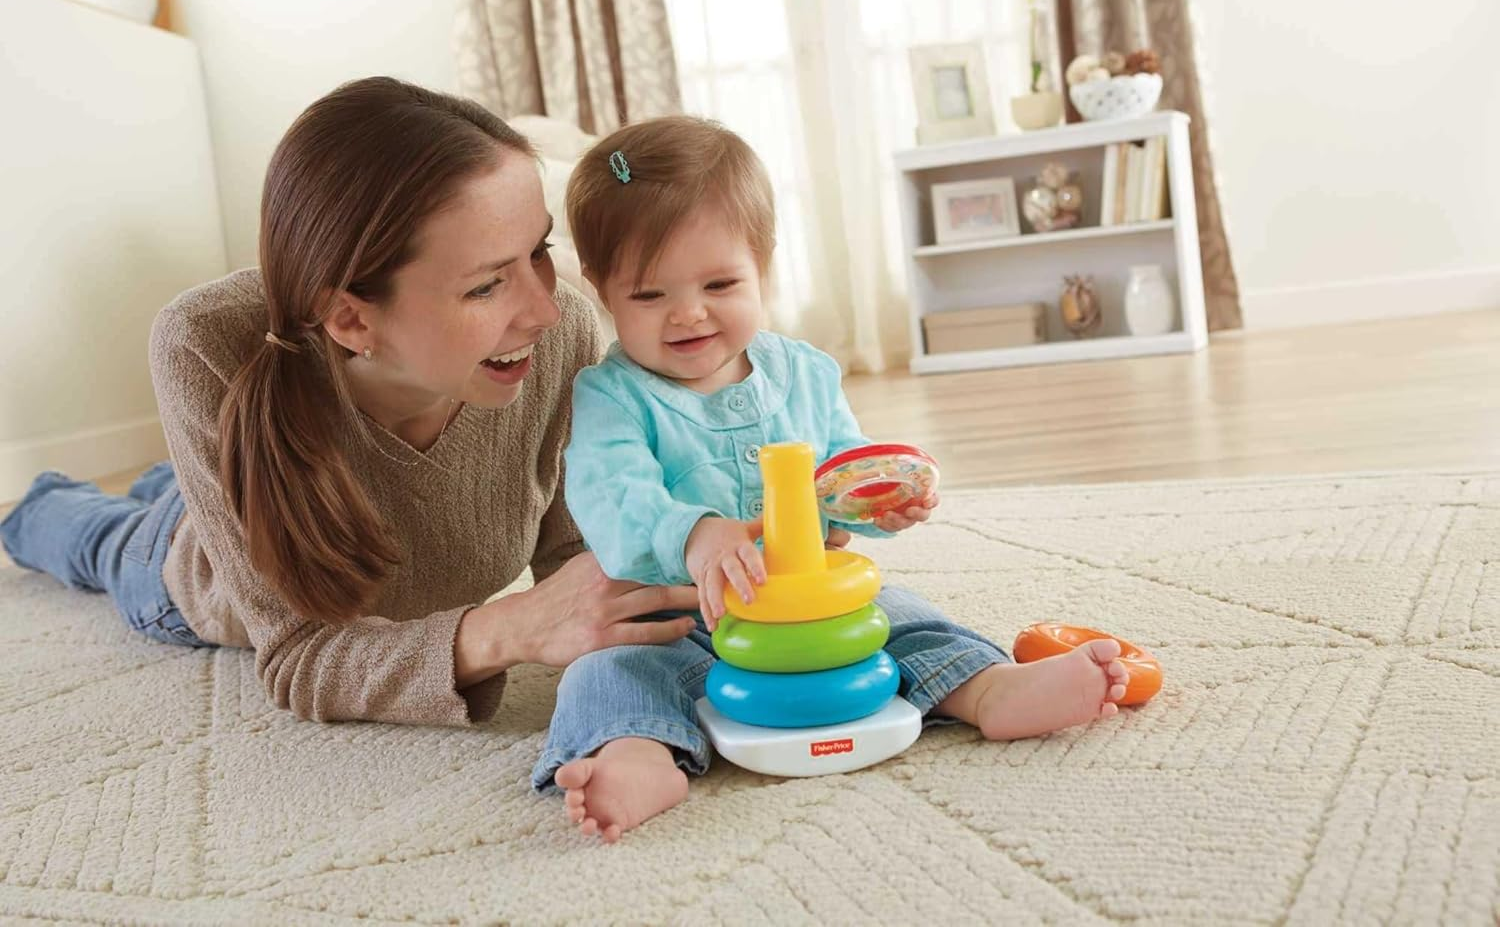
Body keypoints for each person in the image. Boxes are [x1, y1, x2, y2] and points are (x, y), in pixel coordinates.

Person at [0, 76, 701, 726]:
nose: (545, 311)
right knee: (94, 537)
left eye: (540, 251)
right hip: (188, 570)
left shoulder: (562, 334)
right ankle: (36, 507)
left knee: (169, 484)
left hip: (255, 470)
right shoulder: (203, 343)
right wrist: (507, 627)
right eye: (487, 285)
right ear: (353, 320)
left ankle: (170, 480)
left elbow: (584, 555)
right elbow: (301, 655)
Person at [539, 116, 1130, 842]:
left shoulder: (806, 373)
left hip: (817, 609)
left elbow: (846, 474)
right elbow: (611, 498)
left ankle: (990, 689)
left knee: (906, 617)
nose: (688, 313)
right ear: (601, 289)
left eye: (720, 283)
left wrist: (887, 501)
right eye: (649, 295)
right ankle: (635, 754)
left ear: (765, 265)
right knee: (604, 674)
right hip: (681, 616)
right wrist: (694, 536)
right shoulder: (611, 397)